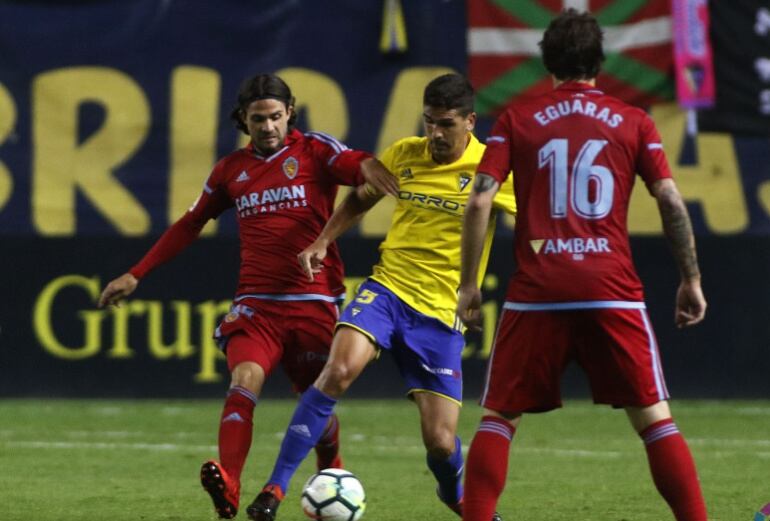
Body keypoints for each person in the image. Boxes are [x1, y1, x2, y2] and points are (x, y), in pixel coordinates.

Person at [97, 73, 397, 520]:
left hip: (313, 301)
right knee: (245, 379)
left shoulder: (315, 150)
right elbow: (190, 224)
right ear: (244, 120)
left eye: (276, 116)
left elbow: (359, 166)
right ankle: (230, 485)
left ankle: (330, 467)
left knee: (314, 398)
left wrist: (374, 170)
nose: (269, 126)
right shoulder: (230, 171)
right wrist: (137, 273)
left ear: (289, 113)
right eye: (259, 118)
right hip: (256, 304)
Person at [456, 9, 708, 521]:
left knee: (500, 417)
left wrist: (469, 287)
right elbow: (670, 200)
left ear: (547, 61)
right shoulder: (635, 121)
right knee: (654, 419)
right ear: (600, 62)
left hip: (537, 289)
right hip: (610, 288)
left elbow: (480, 200)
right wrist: (691, 278)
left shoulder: (516, 120)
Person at [244, 73, 515, 521]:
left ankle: (454, 494)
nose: (434, 134)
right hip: (388, 289)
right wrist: (321, 242)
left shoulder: (492, 172)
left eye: (445, 124)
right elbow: (359, 200)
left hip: (440, 313)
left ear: (470, 121)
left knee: (441, 443)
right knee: (338, 370)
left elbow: (535, 223)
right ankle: (274, 490)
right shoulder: (406, 155)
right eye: (428, 122)